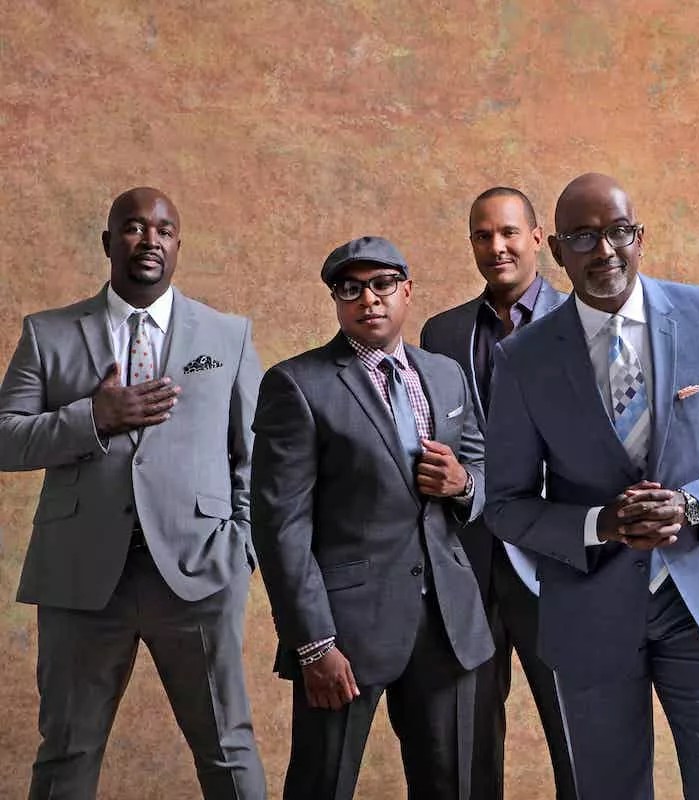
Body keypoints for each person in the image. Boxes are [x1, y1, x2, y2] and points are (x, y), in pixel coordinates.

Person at [483, 173, 699, 799]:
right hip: (590, 607)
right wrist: (598, 523)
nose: (605, 250)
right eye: (582, 237)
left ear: (640, 236)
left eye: (619, 232)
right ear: (556, 249)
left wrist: (691, 504)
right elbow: (506, 505)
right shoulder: (523, 357)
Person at [0, 187, 266, 799]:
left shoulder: (226, 335)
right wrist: (93, 417)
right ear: (108, 241)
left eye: (164, 230)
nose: (150, 240)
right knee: (67, 750)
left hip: (200, 572)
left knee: (228, 747)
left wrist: (242, 546)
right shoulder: (47, 333)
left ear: (178, 245)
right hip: (80, 577)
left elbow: (255, 455)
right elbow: (6, 439)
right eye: (134, 227)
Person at [250, 236, 493, 800]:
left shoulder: (445, 374)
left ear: (407, 291)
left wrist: (463, 485)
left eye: (383, 284)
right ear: (337, 301)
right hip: (346, 632)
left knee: (451, 786)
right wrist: (314, 645)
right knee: (321, 784)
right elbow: (281, 528)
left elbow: (481, 468)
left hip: (448, 624)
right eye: (351, 289)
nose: (369, 299)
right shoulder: (298, 384)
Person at [420, 187, 575, 800]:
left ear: (537, 239)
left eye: (509, 232)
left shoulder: (584, 319)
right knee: (466, 740)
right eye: (483, 236)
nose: (497, 247)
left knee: (577, 734)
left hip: (558, 564)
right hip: (468, 560)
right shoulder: (443, 332)